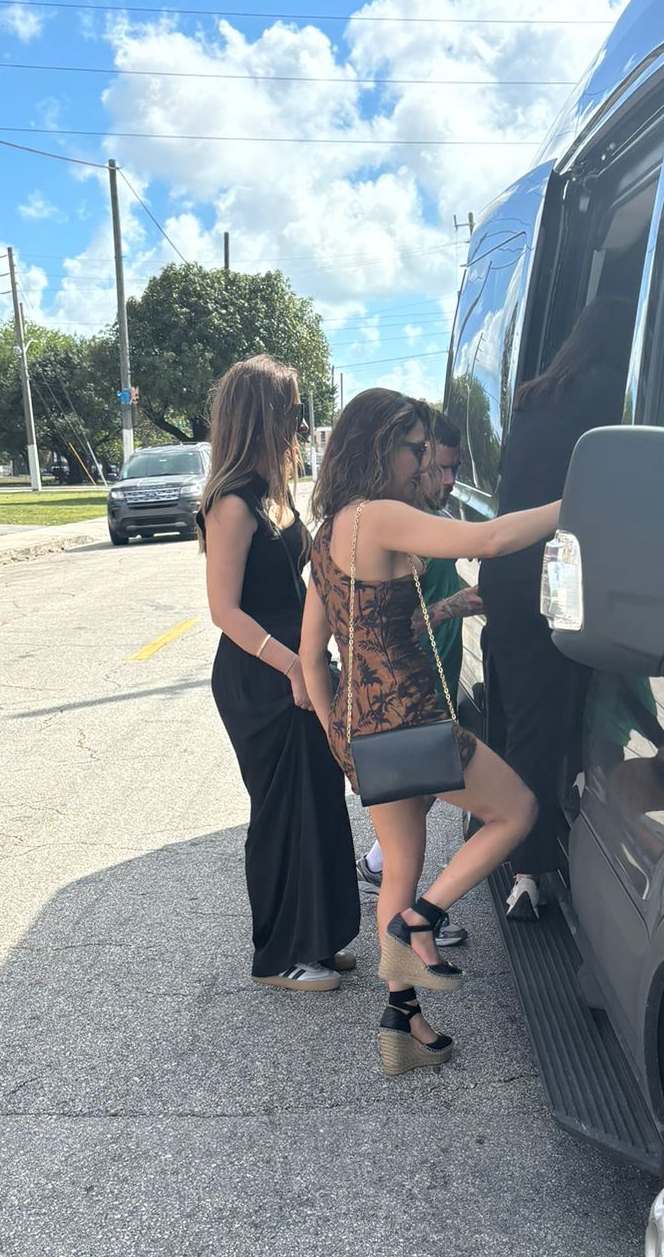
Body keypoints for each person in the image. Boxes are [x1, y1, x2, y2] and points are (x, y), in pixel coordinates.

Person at [300, 388, 560, 1075]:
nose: (424, 463)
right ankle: (421, 920)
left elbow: (313, 653)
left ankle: (404, 1025)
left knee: (399, 859)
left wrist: (336, 734)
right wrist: (579, 500)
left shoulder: (327, 534)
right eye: (416, 449)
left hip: (360, 726)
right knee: (518, 811)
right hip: (412, 714)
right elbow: (493, 538)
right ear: (379, 447)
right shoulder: (381, 515)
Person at [199, 355, 361, 992]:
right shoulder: (232, 503)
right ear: (260, 414)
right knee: (279, 809)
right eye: (291, 410)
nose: (299, 422)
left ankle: (316, 938)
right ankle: (278, 955)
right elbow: (223, 610)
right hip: (259, 675)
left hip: (301, 667)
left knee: (318, 800)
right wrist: (294, 664)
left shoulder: (274, 492)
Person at [478, 296, 630, 921]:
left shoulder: (535, 398)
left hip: (508, 578)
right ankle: (532, 868)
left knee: (519, 721)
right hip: (559, 581)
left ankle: (508, 841)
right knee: (554, 724)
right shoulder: (604, 394)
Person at [356, 413, 481, 952]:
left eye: (456, 469)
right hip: (413, 691)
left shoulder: (437, 516)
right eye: (442, 468)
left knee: (423, 797)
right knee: (424, 805)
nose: (449, 481)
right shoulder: (402, 527)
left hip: (443, 679)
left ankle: (381, 871)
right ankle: (413, 922)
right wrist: (462, 603)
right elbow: (393, 626)